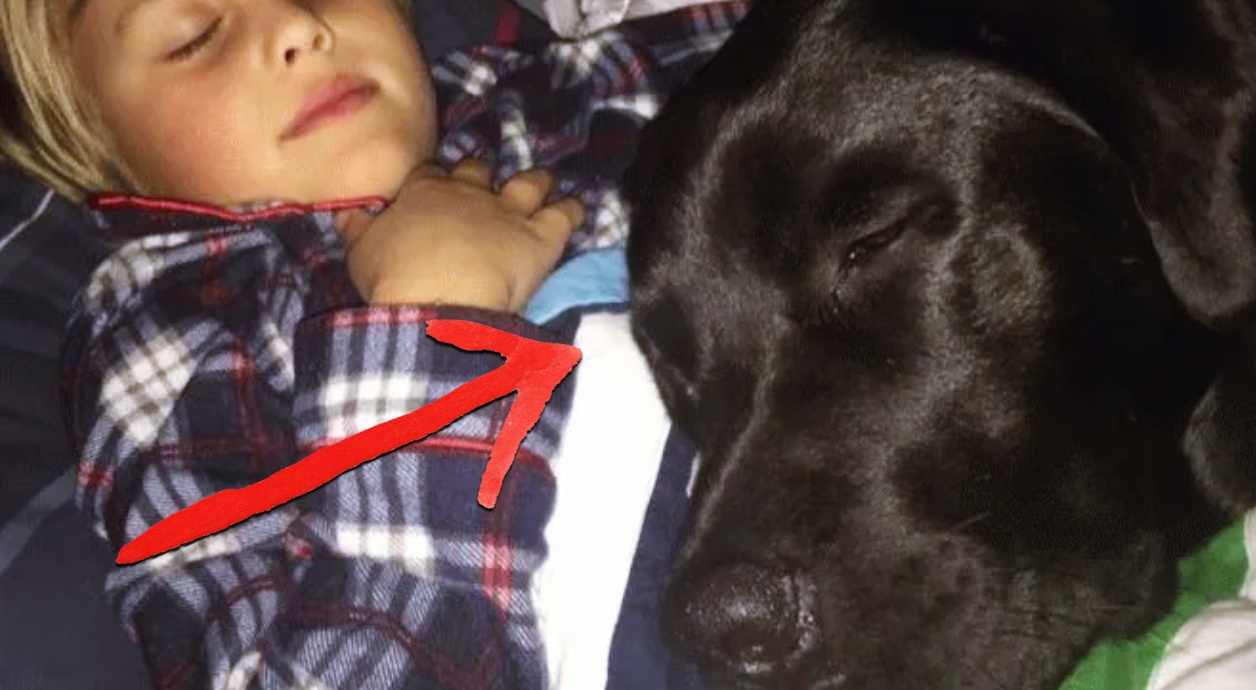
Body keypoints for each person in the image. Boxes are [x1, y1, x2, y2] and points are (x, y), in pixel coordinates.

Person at [0, 0, 752, 687]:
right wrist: (438, 312)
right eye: (194, 38)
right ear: (109, 156)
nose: (298, 27)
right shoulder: (177, 326)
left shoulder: (529, 95)